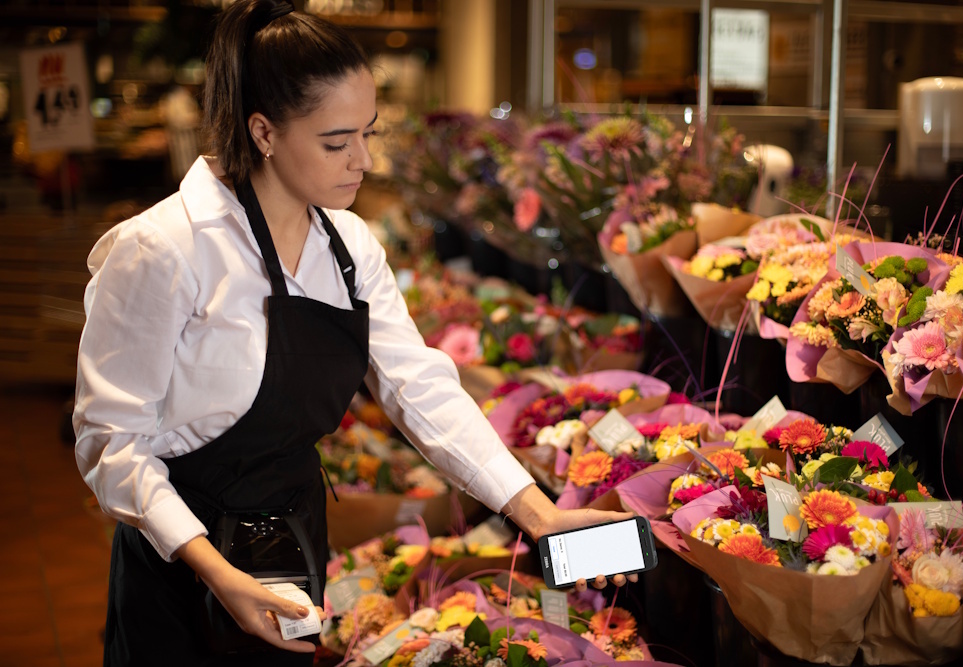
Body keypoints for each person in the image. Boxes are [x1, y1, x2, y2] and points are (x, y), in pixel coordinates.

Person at [73, 1, 637, 664]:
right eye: (338, 142)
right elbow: (110, 442)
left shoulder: (348, 246)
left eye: (368, 133)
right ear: (264, 132)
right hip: (179, 571)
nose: (364, 160)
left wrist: (538, 513)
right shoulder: (164, 248)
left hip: (292, 550)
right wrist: (216, 571)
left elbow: (417, 385)